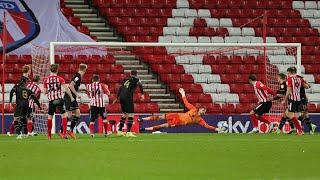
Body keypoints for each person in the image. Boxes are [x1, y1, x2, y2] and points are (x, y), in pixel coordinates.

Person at [139, 88, 221, 132]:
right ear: (199, 109)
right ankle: (142, 119)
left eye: (204, 111)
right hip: (176, 115)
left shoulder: (199, 120)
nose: (203, 111)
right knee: (159, 117)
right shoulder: (193, 109)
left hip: (177, 122)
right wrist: (183, 94)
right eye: (203, 110)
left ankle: (143, 129)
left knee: (161, 126)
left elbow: (206, 126)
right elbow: (186, 103)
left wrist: (215, 129)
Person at [43, 64, 74, 139]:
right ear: (57, 70)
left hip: (51, 100)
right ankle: (64, 133)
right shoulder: (60, 79)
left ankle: (49, 135)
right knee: (64, 115)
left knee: (50, 117)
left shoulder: (46, 80)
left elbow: (45, 92)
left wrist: (49, 91)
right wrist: (71, 97)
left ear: (50, 70)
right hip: (60, 99)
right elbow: (66, 89)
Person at [113, 70, 144, 137]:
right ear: (136, 74)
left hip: (121, 97)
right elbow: (140, 85)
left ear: (130, 74)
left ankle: (119, 131)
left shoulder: (125, 79)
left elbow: (120, 88)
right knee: (131, 114)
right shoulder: (136, 79)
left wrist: (117, 97)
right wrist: (142, 94)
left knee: (124, 114)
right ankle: (128, 132)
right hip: (128, 98)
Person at [281, 67, 310, 135]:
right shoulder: (300, 78)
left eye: (288, 73)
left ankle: (299, 130)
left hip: (292, 100)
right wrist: (308, 85)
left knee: (290, 115)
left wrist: (284, 100)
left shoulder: (289, 79)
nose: (287, 74)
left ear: (290, 72)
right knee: (295, 116)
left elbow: (288, 91)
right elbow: (306, 86)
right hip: (299, 100)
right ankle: (300, 130)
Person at [64, 63, 87, 139]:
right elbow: (70, 85)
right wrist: (77, 94)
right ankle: (62, 131)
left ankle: (70, 130)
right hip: (69, 97)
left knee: (77, 113)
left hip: (73, 97)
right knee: (68, 114)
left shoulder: (78, 76)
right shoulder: (78, 76)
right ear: (84, 70)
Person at [7, 65, 31, 136]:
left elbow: (13, 91)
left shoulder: (24, 80)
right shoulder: (25, 80)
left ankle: (17, 133)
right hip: (24, 102)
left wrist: (11, 101)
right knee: (21, 118)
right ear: (28, 70)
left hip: (22, 102)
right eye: (30, 70)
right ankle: (20, 132)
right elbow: (15, 90)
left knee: (18, 118)